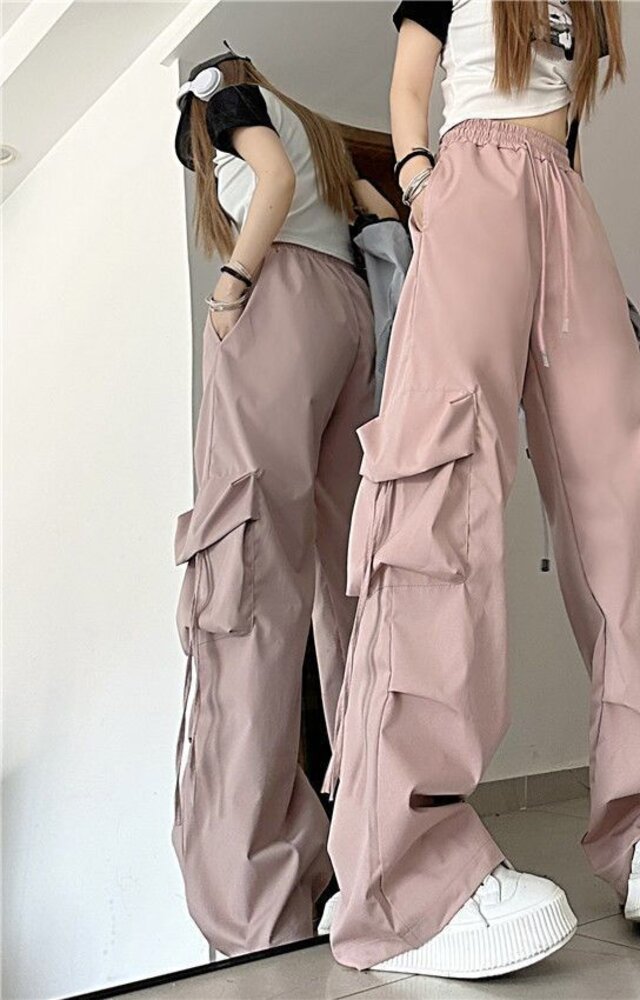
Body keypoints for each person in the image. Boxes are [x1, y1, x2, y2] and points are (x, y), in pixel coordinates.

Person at [325, 1, 640, 979]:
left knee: (622, 496)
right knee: (441, 478)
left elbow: (568, 126)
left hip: (564, 204)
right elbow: (408, 85)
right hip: (471, 181)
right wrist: (423, 183)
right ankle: (407, 876)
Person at [171, 45, 394, 956]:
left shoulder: (229, 105)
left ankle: (256, 907)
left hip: (283, 303)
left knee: (246, 579)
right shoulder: (325, 139)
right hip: (351, 315)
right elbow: (382, 213)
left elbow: (267, 180)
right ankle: (378, 856)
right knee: (350, 584)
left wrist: (232, 288)